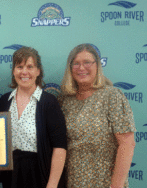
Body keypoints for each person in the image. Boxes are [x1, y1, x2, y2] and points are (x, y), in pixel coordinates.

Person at [58, 43, 136, 188]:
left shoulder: (112, 96)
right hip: (74, 182)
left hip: (105, 182)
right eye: (76, 64)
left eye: (87, 62)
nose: (81, 68)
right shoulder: (65, 101)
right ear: (70, 69)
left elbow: (127, 144)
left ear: (97, 65)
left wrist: (116, 185)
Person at [0, 46, 67, 188]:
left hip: (40, 174)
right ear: (13, 71)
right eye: (19, 66)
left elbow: (59, 147)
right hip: (11, 175)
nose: (24, 72)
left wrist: (52, 185)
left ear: (38, 71)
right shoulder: (5, 101)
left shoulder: (49, 103)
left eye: (30, 66)